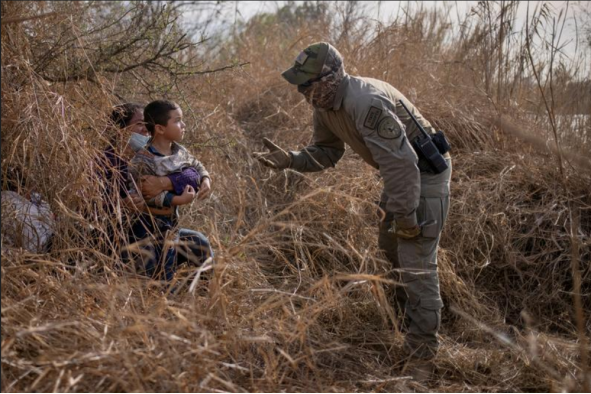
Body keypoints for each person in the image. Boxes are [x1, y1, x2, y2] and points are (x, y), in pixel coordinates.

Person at [253, 42, 452, 379]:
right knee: (392, 250)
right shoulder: (325, 105)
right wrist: (291, 160)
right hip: (400, 177)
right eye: (300, 86)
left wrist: (406, 217)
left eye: (308, 84)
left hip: (424, 177)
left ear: (331, 78)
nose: (303, 93)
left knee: (416, 262)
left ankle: (422, 358)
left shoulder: (366, 102)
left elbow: (403, 165)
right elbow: (327, 152)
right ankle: (407, 323)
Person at [100, 102, 213, 282]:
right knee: (157, 272)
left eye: (148, 124)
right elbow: (94, 205)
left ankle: (201, 294)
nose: (147, 130)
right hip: (127, 235)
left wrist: (166, 182)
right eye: (140, 124)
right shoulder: (108, 163)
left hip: (166, 225)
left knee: (199, 243)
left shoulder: (170, 152)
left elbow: (192, 171)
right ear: (120, 129)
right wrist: (122, 205)